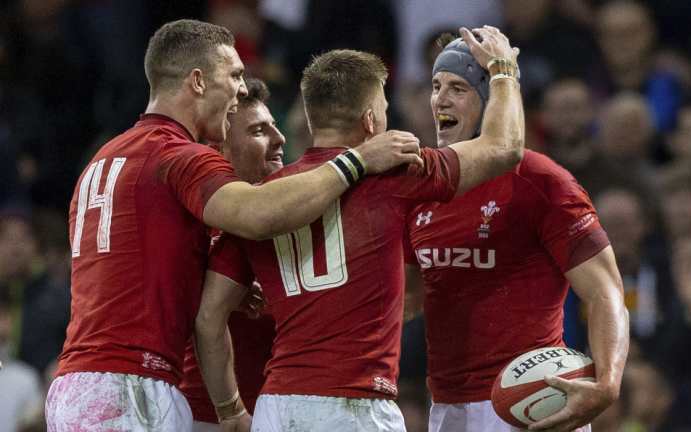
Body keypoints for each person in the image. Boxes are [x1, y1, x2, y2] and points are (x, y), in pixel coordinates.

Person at [45, 19, 423, 431]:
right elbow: (258, 215)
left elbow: (134, 264)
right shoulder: (179, 155)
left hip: (77, 384)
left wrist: (209, 281)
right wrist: (359, 161)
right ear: (197, 81)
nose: (241, 89)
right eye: (235, 75)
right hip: (132, 384)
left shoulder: (103, 157)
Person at [195, 26, 524, 432]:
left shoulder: (262, 200)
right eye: (383, 108)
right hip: (355, 404)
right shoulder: (396, 174)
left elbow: (209, 318)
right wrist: (503, 70)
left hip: (277, 406)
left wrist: (229, 410)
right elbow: (504, 147)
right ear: (371, 120)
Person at [403, 32, 629, 432]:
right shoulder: (423, 186)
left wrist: (608, 382)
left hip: (535, 402)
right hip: (447, 408)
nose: (441, 99)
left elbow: (605, 290)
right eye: (436, 87)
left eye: (458, 88)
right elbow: (408, 297)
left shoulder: (542, 180)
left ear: (491, 101)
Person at [179, 77, 282, 432]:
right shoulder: (192, 225)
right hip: (210, 418)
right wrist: (231, 411)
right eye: (258, 131)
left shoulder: (293, 215)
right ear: (218, 148)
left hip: (283, 412)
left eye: (275, 126)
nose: (279, 140)